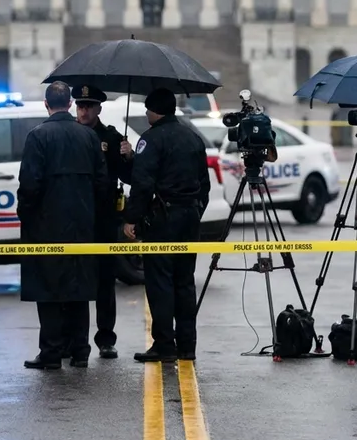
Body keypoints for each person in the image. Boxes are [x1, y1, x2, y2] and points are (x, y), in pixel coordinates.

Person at [17, 81, 109, 370]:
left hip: (47, 224)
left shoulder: (38, 136)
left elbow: (29, 184)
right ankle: (80, 351)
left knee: (48, 289)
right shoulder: (88, 137)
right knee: (79, 287)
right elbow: (102, 182)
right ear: (70, 104)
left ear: (46, 104)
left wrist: (25, 214)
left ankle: (51, 352)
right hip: (82, 223)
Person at [122, 87, 211, 363]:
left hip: (163, 219)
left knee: (160, 282)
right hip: (189, 216)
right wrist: (195, 211)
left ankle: (164, 345)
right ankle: (187, 345)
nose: (146, 114)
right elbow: (204, 184)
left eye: (148, 109)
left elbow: (143, 184)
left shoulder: (150, 139)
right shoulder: (193, 138)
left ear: (155, 111)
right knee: (185, 281)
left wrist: (132, 218)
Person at [72, 84, 135, 359]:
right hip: (75, 216)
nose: (83, 111)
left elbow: (129, 177)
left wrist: (129, 156)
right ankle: (74, 340)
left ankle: (106, 338)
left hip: (103, 216)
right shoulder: (68, 133)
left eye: (88, 106)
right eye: (80, 106)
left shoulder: (110, 137)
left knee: (105, 280)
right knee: (74, 279)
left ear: (99, 108)